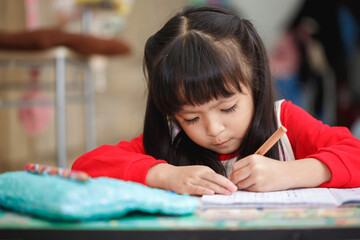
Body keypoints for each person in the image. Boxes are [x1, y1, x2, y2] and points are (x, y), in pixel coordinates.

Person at [72, 6, 360, 196]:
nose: (214, 129)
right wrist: (163, 175)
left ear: (256, 83)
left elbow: (355, 155)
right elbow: (85, 167)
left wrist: (291, 172)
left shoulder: (282, 121)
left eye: (228, 108)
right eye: (191, 118)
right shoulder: (171, 138)